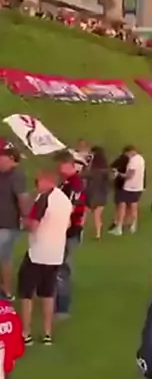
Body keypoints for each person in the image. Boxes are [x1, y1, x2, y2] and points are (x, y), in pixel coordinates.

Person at [18, 169, 72, 345]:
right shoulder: (64, 200)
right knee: (48, 294)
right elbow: (68, 223)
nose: (36, 185)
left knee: (26, 294)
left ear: (47, 181)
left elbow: (33, 225)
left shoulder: (43, 198)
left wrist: (24, 221)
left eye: (38, 181)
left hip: (38, 253)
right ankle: (47, 333)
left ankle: (26, 333)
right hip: (56, 254)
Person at [55, 151, 87, 318]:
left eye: (61, 165)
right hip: (65, 230)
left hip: (68, 231)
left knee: (63, 267)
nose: (58, 168)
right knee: (59, 265)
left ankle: (62, 307)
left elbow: (71, 208)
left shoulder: (75, 184)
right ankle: (57, 300)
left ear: (69, 164)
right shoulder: (67, 182)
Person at [0, 145, 29, 301]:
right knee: (5, 257)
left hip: (7, 224)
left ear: (11, 159)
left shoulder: (16, 176)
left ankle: (7, 291)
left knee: (5, 257)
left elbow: (22, 198)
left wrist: (26, 218)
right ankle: (6, 290)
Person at [110, 145, 145, 235]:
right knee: (134, 206)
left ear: (130, 152)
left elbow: (129, 175)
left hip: (129, 187)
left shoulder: (133, 161)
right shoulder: (141, 159)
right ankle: (133, 225)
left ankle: (119, 227)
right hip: (138, 186)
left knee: (122, 205)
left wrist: (118, 174)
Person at [85, 146, 110, 239]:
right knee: (98, 215)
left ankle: (80, 231)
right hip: (103, 196)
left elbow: (83, 175)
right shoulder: (106, 171)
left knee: (84, 214)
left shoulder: (93, 171)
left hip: (92, 195)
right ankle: (98, 234)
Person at [110, 147, 129, 231]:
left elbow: (112, 166)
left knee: (120, 204)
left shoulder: (122, 158)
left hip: (120, 184)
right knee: (123, 204)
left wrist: (116, 171)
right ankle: (122, 222)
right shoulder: (131, 160)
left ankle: (117, 223)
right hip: (127, 185)